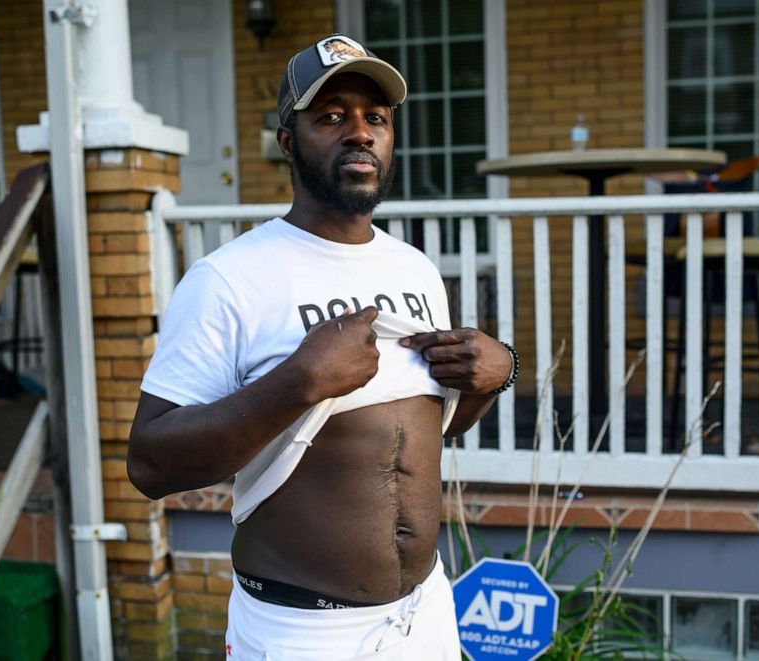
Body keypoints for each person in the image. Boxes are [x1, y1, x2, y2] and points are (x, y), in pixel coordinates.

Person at [127, 34, 519, 659]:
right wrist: (300, 381)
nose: (360, 132)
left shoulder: (415, 269)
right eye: (331, 116)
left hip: (425, 613)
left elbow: (416, 438)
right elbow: (148, 465)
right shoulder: (229, 278)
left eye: (377, 119)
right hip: (302, 632)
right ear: (289, 141)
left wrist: (495, 377)